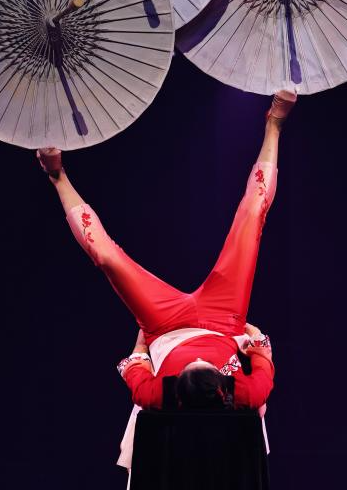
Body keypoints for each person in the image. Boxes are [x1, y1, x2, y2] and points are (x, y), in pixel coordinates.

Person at [36, 89, 296, 467]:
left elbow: (136, 363)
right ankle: (274, 125)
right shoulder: (244, 394)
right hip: (224, 321)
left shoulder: (157, 396)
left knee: (106, 257)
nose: (198, 366)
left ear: (180, 392)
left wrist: (146, 338)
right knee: (253, 215)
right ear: (221, 390)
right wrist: (252, 337)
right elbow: (264, 357)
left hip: (164, 327)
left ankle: (56, 176)